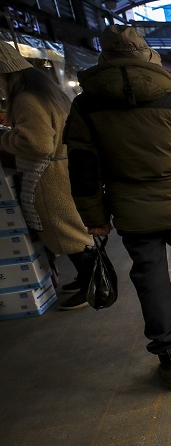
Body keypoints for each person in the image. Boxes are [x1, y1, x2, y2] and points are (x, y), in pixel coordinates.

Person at [63, 26, 171, 388]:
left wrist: (95, 216)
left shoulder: (86, 107)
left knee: (150, 279)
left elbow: (84, 169)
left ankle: (170, 356)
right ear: (149, 57)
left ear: (104, 58)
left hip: (130, 209)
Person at [0, 41, 96, 310]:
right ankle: (86, 279)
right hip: (63, 168)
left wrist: (6, 139)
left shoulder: (25, 99)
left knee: (67, 233)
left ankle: (92, 285)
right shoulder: (45, 92)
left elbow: (39, 144)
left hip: (49, 176)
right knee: (72, 230)